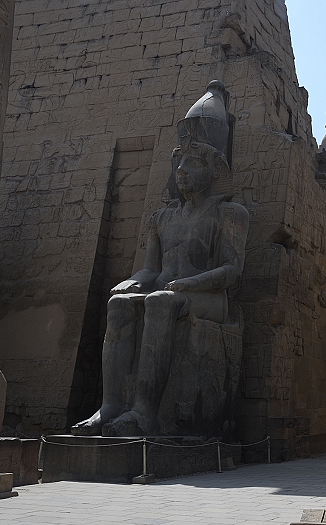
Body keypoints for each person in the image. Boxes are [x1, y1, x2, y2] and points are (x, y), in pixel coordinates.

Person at [71, 82, 248, 437]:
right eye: (179, 162)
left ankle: (145, 412)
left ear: (215, 170)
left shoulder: (230, 214)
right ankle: (110, 407)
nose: (182, 170)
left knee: (161, 303)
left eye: (193, 162)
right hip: (171, 289)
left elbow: (232, 271)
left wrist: (188, 283)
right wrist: (135, 280)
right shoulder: (162, 218)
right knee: (120, 305)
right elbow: (151, 270)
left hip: (212, 299)